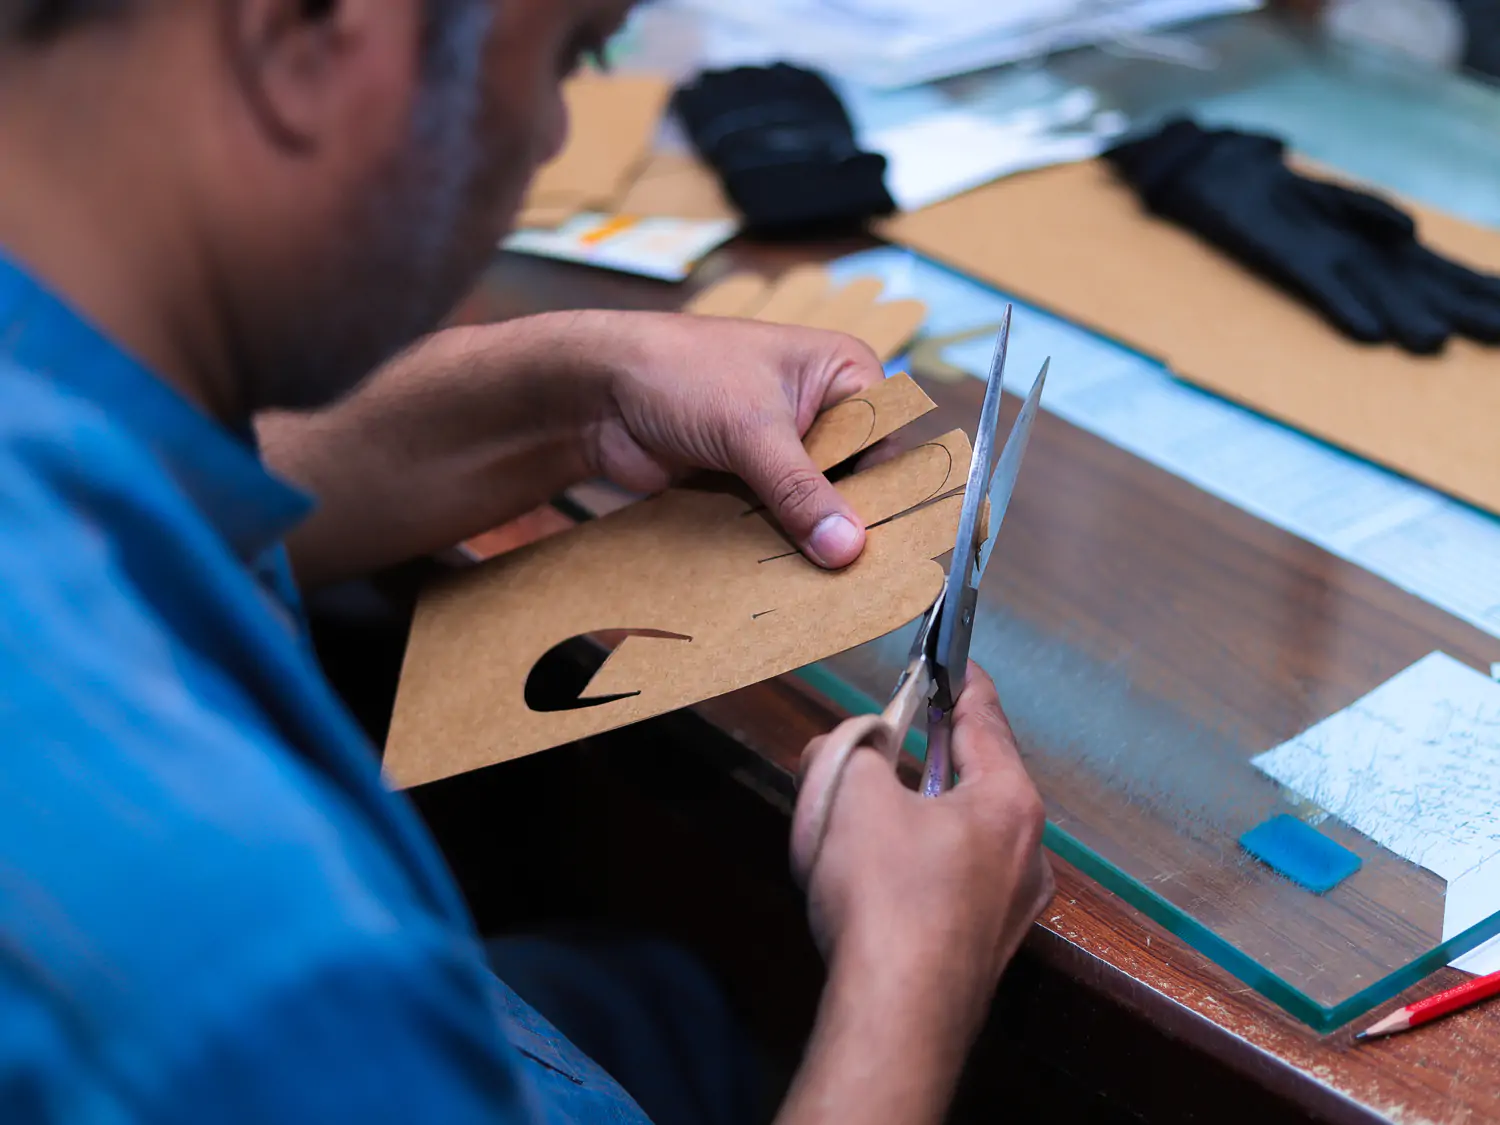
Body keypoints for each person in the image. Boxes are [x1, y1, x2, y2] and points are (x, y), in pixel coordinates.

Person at [0, 1, 1054, 1123]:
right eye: (566, 55)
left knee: (672, 1003)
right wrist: (911, 981)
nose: (554, 137)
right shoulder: (270, 970)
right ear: (302, 40)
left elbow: (163, 480)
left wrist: (573, 399)